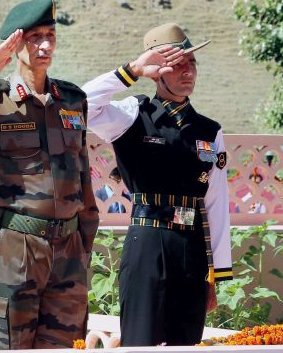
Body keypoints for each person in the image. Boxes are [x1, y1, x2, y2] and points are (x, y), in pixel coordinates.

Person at [0, 0, 99, 349]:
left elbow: (83, 176)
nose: (45, 45)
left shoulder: (71, 100)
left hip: (69, 252)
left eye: (51, 36)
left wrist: (83, 245)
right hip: (17, 250)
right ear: (14, 44)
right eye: (34, 37)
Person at [83, 23, 232, 346]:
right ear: (156, 71)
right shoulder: (132, 116)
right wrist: (133, 69)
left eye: (191, 63)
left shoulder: (210, 130)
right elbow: (79, 105)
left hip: (191, 248)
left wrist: (216, 273)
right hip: (148, 242)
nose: (188, 71)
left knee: (186, 342)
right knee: (141, 341)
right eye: (177, 64)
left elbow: (217, 204)